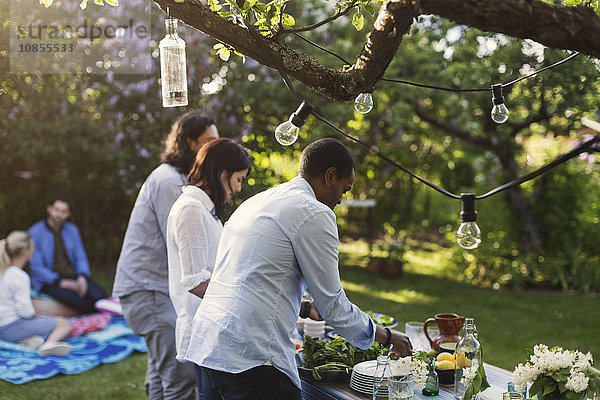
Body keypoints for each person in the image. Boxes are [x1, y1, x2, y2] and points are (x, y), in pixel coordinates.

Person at [186, 138, 412, 399]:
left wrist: (303, 306)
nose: (341, 199)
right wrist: (384, 336)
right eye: (344, 189)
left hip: (208, 346)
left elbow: (247, 277)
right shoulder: (315, 213)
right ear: (330, 176)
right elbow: (333, 306)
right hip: (251, 358)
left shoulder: (257, 201)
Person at [112, 111, 219, 400]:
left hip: (153, 291)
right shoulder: (170, 183)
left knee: (162, 377)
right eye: (208, 141)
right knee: (181, 378)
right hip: (149, 291)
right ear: (189, 142)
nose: (214, 147)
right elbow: (186, 243)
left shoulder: (178, 179)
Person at [167, 138, 250, 400]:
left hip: (216, 329)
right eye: (238, 179)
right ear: (222, 174)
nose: (238, 188)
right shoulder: (191, 210)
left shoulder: (204, 209)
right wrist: (247, 295)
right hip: (206, 331)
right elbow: (194, 282)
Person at [28, 196, 109, 314]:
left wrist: (82, 276)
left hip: (72, 275)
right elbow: (36, 266)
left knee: (101, 297)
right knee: (81, 303)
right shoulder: (35, 232)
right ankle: (93, 317)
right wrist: (60, 282)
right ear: (49, 209)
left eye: (63, 211)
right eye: (56, 210)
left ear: (68, 214)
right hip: (50, 281)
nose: (59, 214)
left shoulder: (72, 230)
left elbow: (80, 256)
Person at [0, 231, 72, 357]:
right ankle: (49, 345)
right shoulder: (19, 276)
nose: (34, 250)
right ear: (24, 250)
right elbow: (25, 311)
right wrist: (37, 315)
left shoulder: (3, 272)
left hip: (2, 330)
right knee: (63, 324)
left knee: (41, 323)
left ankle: (26, 341)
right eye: (33, 247)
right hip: (12, 328)